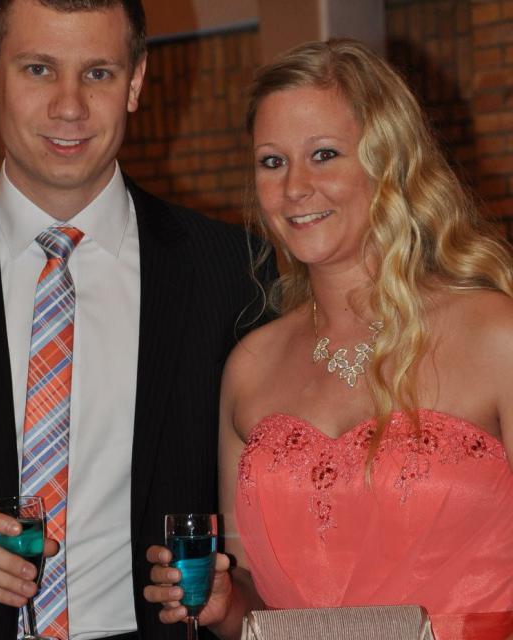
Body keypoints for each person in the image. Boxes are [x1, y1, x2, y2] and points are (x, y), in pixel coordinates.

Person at [0, 1, 266, 638]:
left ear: (136, 81)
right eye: (38, 69)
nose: (69, 106)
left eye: (98, 73)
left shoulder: (236, 274)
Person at [145, 38, 513, 640]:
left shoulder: (496, 335)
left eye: (324, 154)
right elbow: (252, 604)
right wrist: (223, 603)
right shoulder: (251, 366)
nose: (294, 187)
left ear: (388, 163)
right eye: (272, 161)